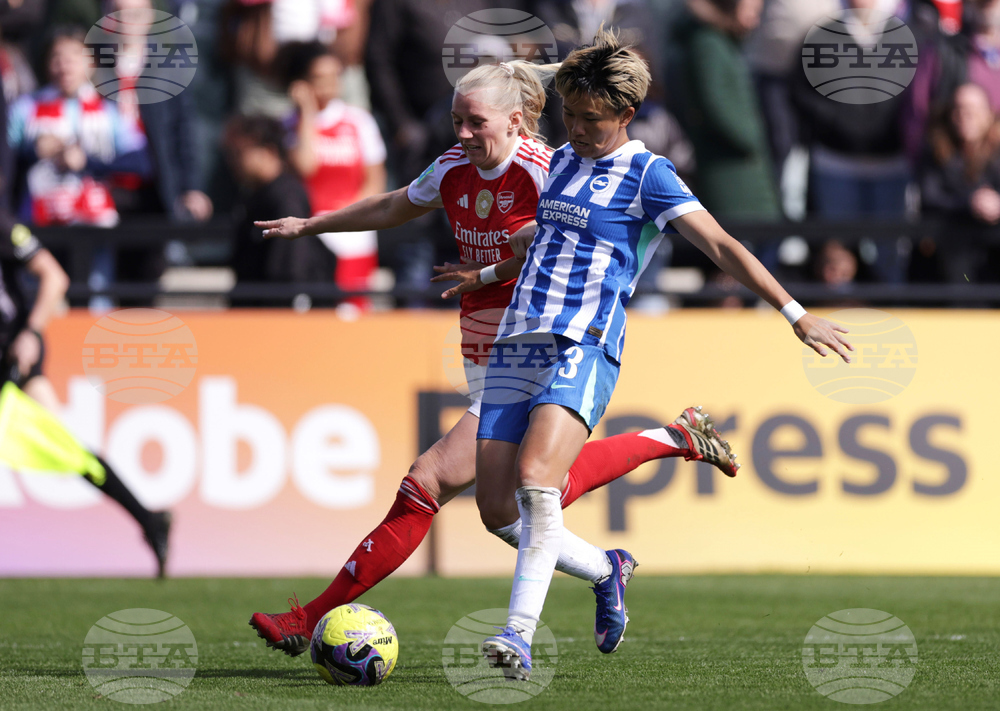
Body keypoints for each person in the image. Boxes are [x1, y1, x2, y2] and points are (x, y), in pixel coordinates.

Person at [247, 59, 739, 657]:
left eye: (474, 122)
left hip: (537, 344)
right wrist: (312, 224)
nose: (461, 133)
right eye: (456, 120)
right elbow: (394, 206)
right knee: (509, 510)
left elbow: (571, 241)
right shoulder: (453, 167)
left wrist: (490, 272)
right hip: (484, 348)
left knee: (431, 480)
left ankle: (312, 617)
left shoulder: (546, 168)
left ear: (515, 121)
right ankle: (635, 511)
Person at [471, 29, 852, 680]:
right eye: (571, 114)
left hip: (584, 340)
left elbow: (722, 245)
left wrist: (795, 312)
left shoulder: (649, 175)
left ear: (626, 114)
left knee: (537, 481)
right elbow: (545, 236)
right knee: (496, 510)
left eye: (592, 119)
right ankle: (606, 568)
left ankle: (518, 635)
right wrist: (485, 274)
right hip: (517, 340)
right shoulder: (560, 159)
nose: (578, 128)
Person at [0, 211, 171, 577]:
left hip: (13, 358)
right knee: (66, 450)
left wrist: (31, 333)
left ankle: (149, 520)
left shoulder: (3, 227)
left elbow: (54, 277)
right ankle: (149, 519)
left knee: (67, 450)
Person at [281, 41, 387, 310]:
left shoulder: (359, 121)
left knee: (352, 311)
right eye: (319, 77)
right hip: (309, 235)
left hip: (353, 232)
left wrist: (348, 216)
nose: (329, 84)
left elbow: (375, 180)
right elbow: (305, 166)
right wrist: (306, 113)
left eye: (334, 76)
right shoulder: (288, 124)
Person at [224, 115, 334, 286]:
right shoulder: (255, 195)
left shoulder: (286, 197)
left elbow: (290, 270)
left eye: (240, 153)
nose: (233, 161)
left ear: (269, 151)